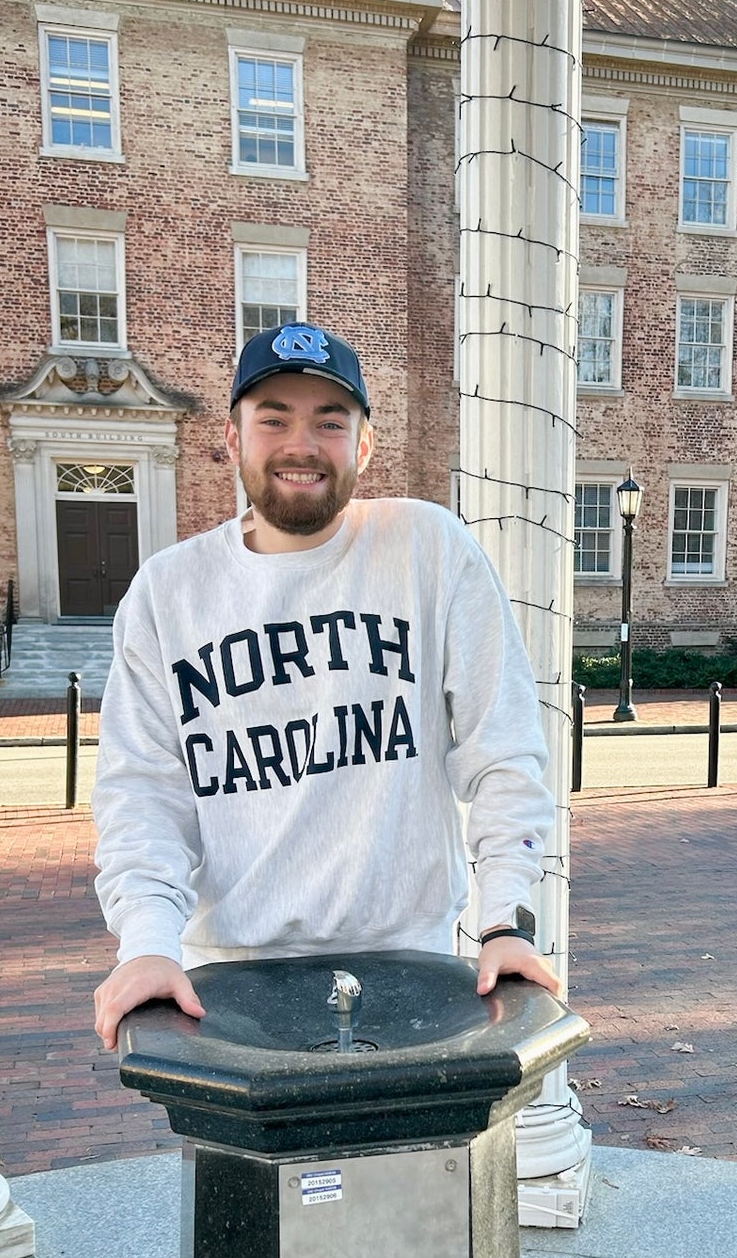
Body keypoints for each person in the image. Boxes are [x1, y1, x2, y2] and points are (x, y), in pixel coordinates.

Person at [91, 322, 560, 1050]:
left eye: (329, 423)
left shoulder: (426, 549)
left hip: (414, 962)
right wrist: (147, 944)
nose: (300, 445)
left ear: (364, 445)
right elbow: (143, 791)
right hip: (229, 980)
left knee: (416, 1166)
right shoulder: (169, 591)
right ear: (232, 437)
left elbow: (503, 751)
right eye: (273, 418)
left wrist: (504, 918)